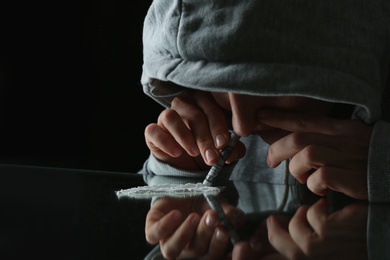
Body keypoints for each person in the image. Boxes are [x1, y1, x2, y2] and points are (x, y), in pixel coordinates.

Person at [138, 0, 390, 258]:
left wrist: (383, 166)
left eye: (269, 85)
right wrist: (178, 174)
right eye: (219, 85)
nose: (242, 126)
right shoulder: (214, 121)